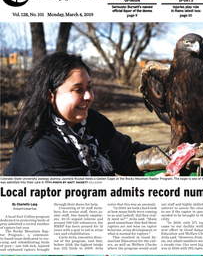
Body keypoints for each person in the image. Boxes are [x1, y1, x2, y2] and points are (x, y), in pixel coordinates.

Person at [4, 52, 168, 176]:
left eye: (89, 87)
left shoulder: (91, 121)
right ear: (50, 95)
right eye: (77, 90)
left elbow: (127, 156)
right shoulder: (42, 152)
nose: (88, 96)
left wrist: (173, 158)